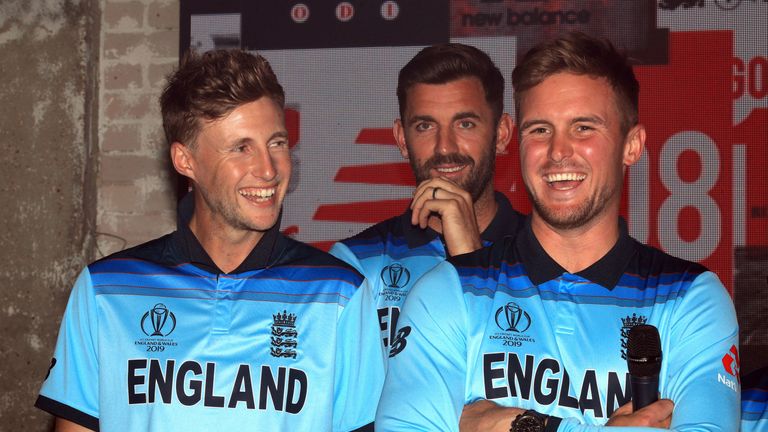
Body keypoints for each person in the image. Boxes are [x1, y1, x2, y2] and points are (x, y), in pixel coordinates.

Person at [376, 32, 740, 431]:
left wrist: (515, 424)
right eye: (540, 130)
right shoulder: (446, 291)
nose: (558, 152)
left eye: (583, 128)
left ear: (631, 146)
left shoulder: (690, 298)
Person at [35, 49, 381, 431]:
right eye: (241, 148)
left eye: (277, 143)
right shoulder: (105, 290)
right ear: (186, 161)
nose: (268, 169)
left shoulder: (340, 294)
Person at [330, 43, 524, 357]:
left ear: (501, 134)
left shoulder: (548, 257)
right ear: (402, 140)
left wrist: (469, 259)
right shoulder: (357, 265)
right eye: (425, 126)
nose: (445, 147)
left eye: (465, 124)